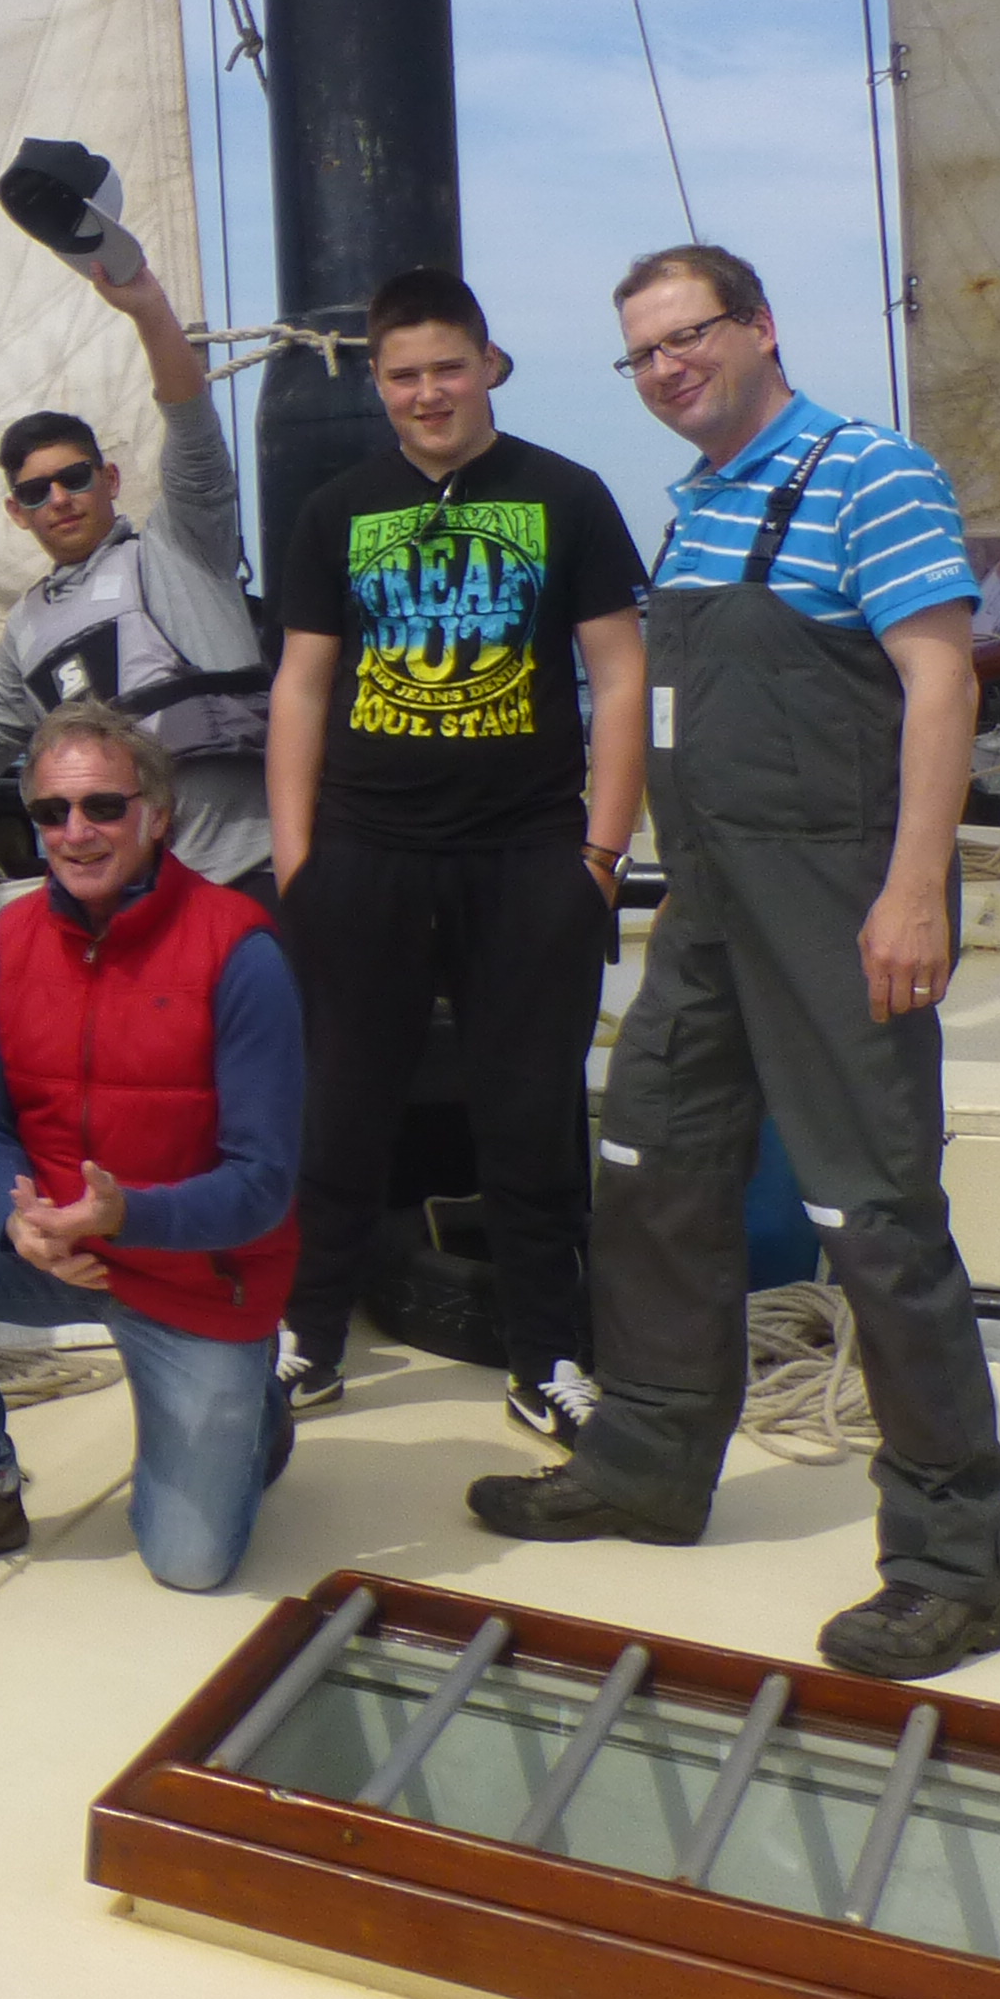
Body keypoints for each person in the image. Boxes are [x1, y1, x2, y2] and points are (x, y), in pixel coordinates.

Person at [470, 244, 1000, 1682]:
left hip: (838, 904)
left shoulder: (869, 473)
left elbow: (942, 681)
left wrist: (914, 894)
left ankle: (954, 1562)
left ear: (761, 327)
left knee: (873, 1215)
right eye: (643, 352)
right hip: (709, 901)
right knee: (652, 1156)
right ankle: (649, 1461)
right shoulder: (700, 506)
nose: (668, 368)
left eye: (690, 335)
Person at [267, 266, 648, 1437]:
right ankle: (308, 1341)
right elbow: (302, 686)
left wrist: (600, 856)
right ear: (378, 384)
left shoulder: (568, 494)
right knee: (340, 1111)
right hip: (365, 854)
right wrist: (297, 862)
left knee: (531, 1122)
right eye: (404, 375)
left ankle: (547, 1359)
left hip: (529, 856)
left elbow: (619, 676)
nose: (427, 392)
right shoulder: (335, 510)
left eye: (447, 368)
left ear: (488, 366)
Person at [0, 705, 304, 1594]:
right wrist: (16, 1220)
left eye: (104, 806)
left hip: (196, 1273)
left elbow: (265, 1183)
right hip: (59, 1247)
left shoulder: (240, 951)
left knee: (187, 1565)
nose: (77, 831)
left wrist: (126, 1215)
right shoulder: (5, 946)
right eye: (52, 812)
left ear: (158, 815)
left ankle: (254, 1407)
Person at [0, 254, 275, 894]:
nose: (60, 499)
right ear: (17, 512)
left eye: (74, 478)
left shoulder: (183, 547)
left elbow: (193, 429)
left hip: (247, 875)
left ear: (109, 479)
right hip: (125, 895)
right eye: (36, 491)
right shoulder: (27, 626)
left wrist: (148, 309)